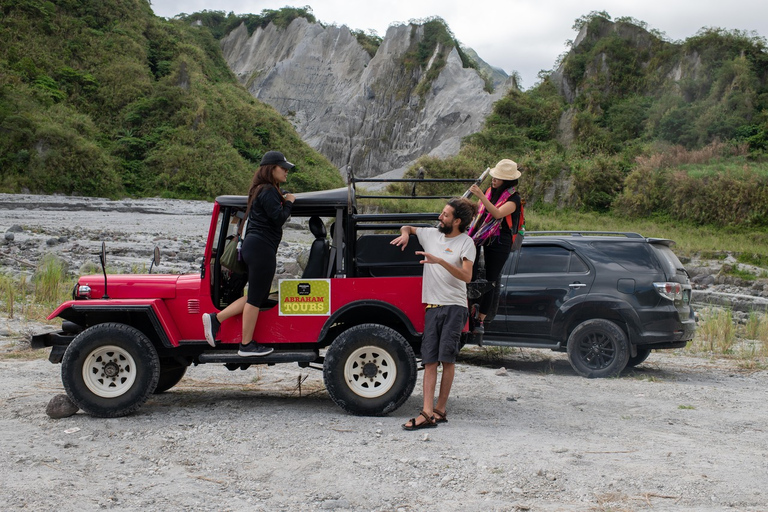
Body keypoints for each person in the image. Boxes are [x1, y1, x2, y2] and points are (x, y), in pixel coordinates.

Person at [390, 198, 477, 430]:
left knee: (447, 359)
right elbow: (408, 227)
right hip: (432, 307)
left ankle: (440, 409)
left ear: (457, 221)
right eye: (442, 213)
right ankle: (427, 413)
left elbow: (467, 276)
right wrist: (405, 233)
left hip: (454, 307)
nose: (441, 217)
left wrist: (440, 261)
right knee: (429, 360)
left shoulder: (466, 243)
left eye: (446, 215)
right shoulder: (430, 234)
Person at [202, 151, 296, 356]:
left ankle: (215, 319)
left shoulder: (260, 190)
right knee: (255, 297)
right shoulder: (269, 190)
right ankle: (245, 345)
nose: (287, 171)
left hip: (255, 246)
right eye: (283, 168)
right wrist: (289, 201)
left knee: (257, 294)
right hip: (262, 248)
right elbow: (279, 218)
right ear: (271, 168)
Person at [467, 159, 522, 335]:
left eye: (498, 178)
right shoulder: (490, 191)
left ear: (507, 181)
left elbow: (497, 213)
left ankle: (480, 319)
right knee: (470, 273)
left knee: (491, 279)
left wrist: (481, 196)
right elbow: (480, 211)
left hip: (500, 240)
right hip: (480, 234)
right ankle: (467, 311)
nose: (494, 180)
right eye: (494, 177)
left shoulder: (514, 198)